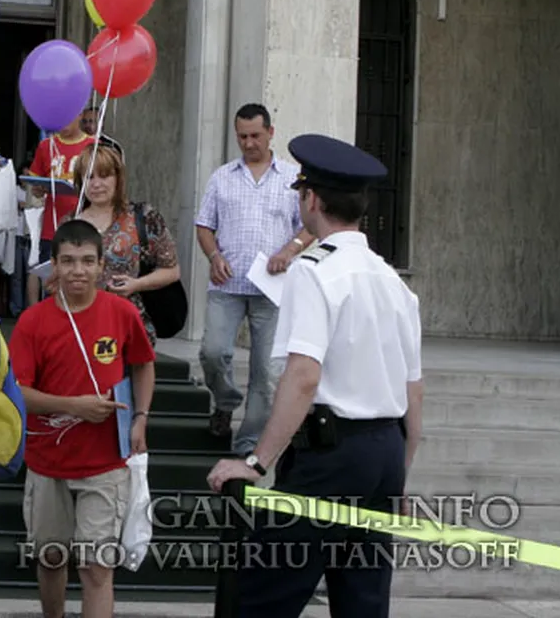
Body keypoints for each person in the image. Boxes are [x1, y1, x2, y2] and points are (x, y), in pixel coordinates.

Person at [207, 134, 424, 618]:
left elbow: (303, 376)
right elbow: (414, 392)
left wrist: (257, 463)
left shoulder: (313, 271)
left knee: (262, 596)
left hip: (330, 455)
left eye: (300, 193)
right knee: (362, 603)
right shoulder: (393, 282)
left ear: (312, 199)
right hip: (385, 452)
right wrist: (398, 479)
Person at [11, 219, 156, 618]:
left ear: (101, 265)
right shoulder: (32, 321)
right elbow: (17, 394)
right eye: (69, 261)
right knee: (51, 558)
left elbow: (143, 365)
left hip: (106, 461)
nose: (79, 271)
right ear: (54, 265)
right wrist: (75, 406)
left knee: (96, 567)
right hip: (47, 461)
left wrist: (141, 417)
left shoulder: (122, 313)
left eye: (88, 261)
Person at [194, 103, 314, 454]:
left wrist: (288, 251)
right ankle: (225, 400)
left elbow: (309, 227)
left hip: (272, 290)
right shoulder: (222, 176)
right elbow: (204, 225)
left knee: (266, 370)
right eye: (242, 136)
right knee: (213, 353)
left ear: (271, 133)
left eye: (255, 136)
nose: (249, 143)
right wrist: (213, 255)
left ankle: (247, 444)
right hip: (226, 284)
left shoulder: (293, 178)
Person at [72, 145, 181, 348]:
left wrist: (137, 284)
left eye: (104, 176)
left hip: (130, 327)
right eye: (89, 177)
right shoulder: (70, 224)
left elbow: (172, 270)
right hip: (80, 328)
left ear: (118, 178)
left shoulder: (144, 217)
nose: (96, 184)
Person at [26, 111, 97, 297]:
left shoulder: (93, 146)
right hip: (51, 229)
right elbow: (35, 184)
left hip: (84, 226)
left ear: (80, 114)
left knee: (82, 288)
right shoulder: (45, 146)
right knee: (52, 289)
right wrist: (38, 189)